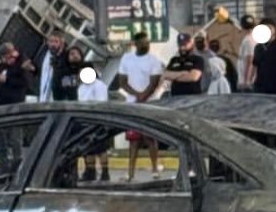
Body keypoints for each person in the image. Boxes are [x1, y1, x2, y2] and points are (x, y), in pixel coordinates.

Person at [118, 31, 164, 180]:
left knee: (150, 138)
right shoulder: (126, 58)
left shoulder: (153, 60)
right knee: (133, 140)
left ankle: (155, 169)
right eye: (143, 43)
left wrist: (143, 96)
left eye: (148, 42)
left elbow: (154, 82)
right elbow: (122, 82)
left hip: (150, 103)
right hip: (132, 103)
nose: (146, 45)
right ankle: (130, 172)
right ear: (135, 44)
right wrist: (136, 95)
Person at [0, 42, 34, 173]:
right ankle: (3, 164)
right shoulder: (2, 66)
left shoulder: (21, 66)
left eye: (9, 55)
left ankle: (17, 164)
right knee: (0, 136)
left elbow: (25, 83)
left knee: (15, 137)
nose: (7, 58)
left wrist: (7, 79)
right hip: (1, 104)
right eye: (5, 56)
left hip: (15, 104)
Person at [75, 49, 113, 182]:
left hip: (98, 122)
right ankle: (90, 172)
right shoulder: (81, 88)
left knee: (101, 150)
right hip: (84, 122)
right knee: (88, 150)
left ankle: (105, 172)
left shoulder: (99, 86)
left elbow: (101, 103)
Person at [165, 33, 205, 97]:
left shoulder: (198, 59)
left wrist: (173, 77)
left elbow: (193, 77)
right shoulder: (174, 60)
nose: (182, 47)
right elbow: (165, 75)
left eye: (185, 44)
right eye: (180, 45)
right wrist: (182, 73)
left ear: (191, 43)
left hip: (192, 97)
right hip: (175, 98)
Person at [38, 31, 65, 103]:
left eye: (56, 42)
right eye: (51, 41)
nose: (53, 44)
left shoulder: (64, 57)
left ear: (61, 43)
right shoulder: (43, 54)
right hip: (42, 94)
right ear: (47, 42)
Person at [236, 15, 259, 90]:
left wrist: (246, 81)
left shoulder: (248, 40)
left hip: (247, 81)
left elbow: (250, 61)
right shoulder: (255, 38)